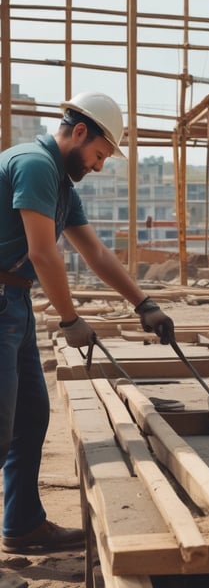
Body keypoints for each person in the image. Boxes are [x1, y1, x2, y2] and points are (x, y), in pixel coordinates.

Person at [0, 91, 175, 554]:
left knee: (30, 417)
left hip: (11, 302)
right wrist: (69, 318)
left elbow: (93, 252)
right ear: (80, 132)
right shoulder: (35, 165)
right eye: (99, 154)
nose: (99, 165)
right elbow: (43, 252)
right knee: (1, 425)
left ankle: (21, 525)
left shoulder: (61, 185)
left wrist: (145, 304)